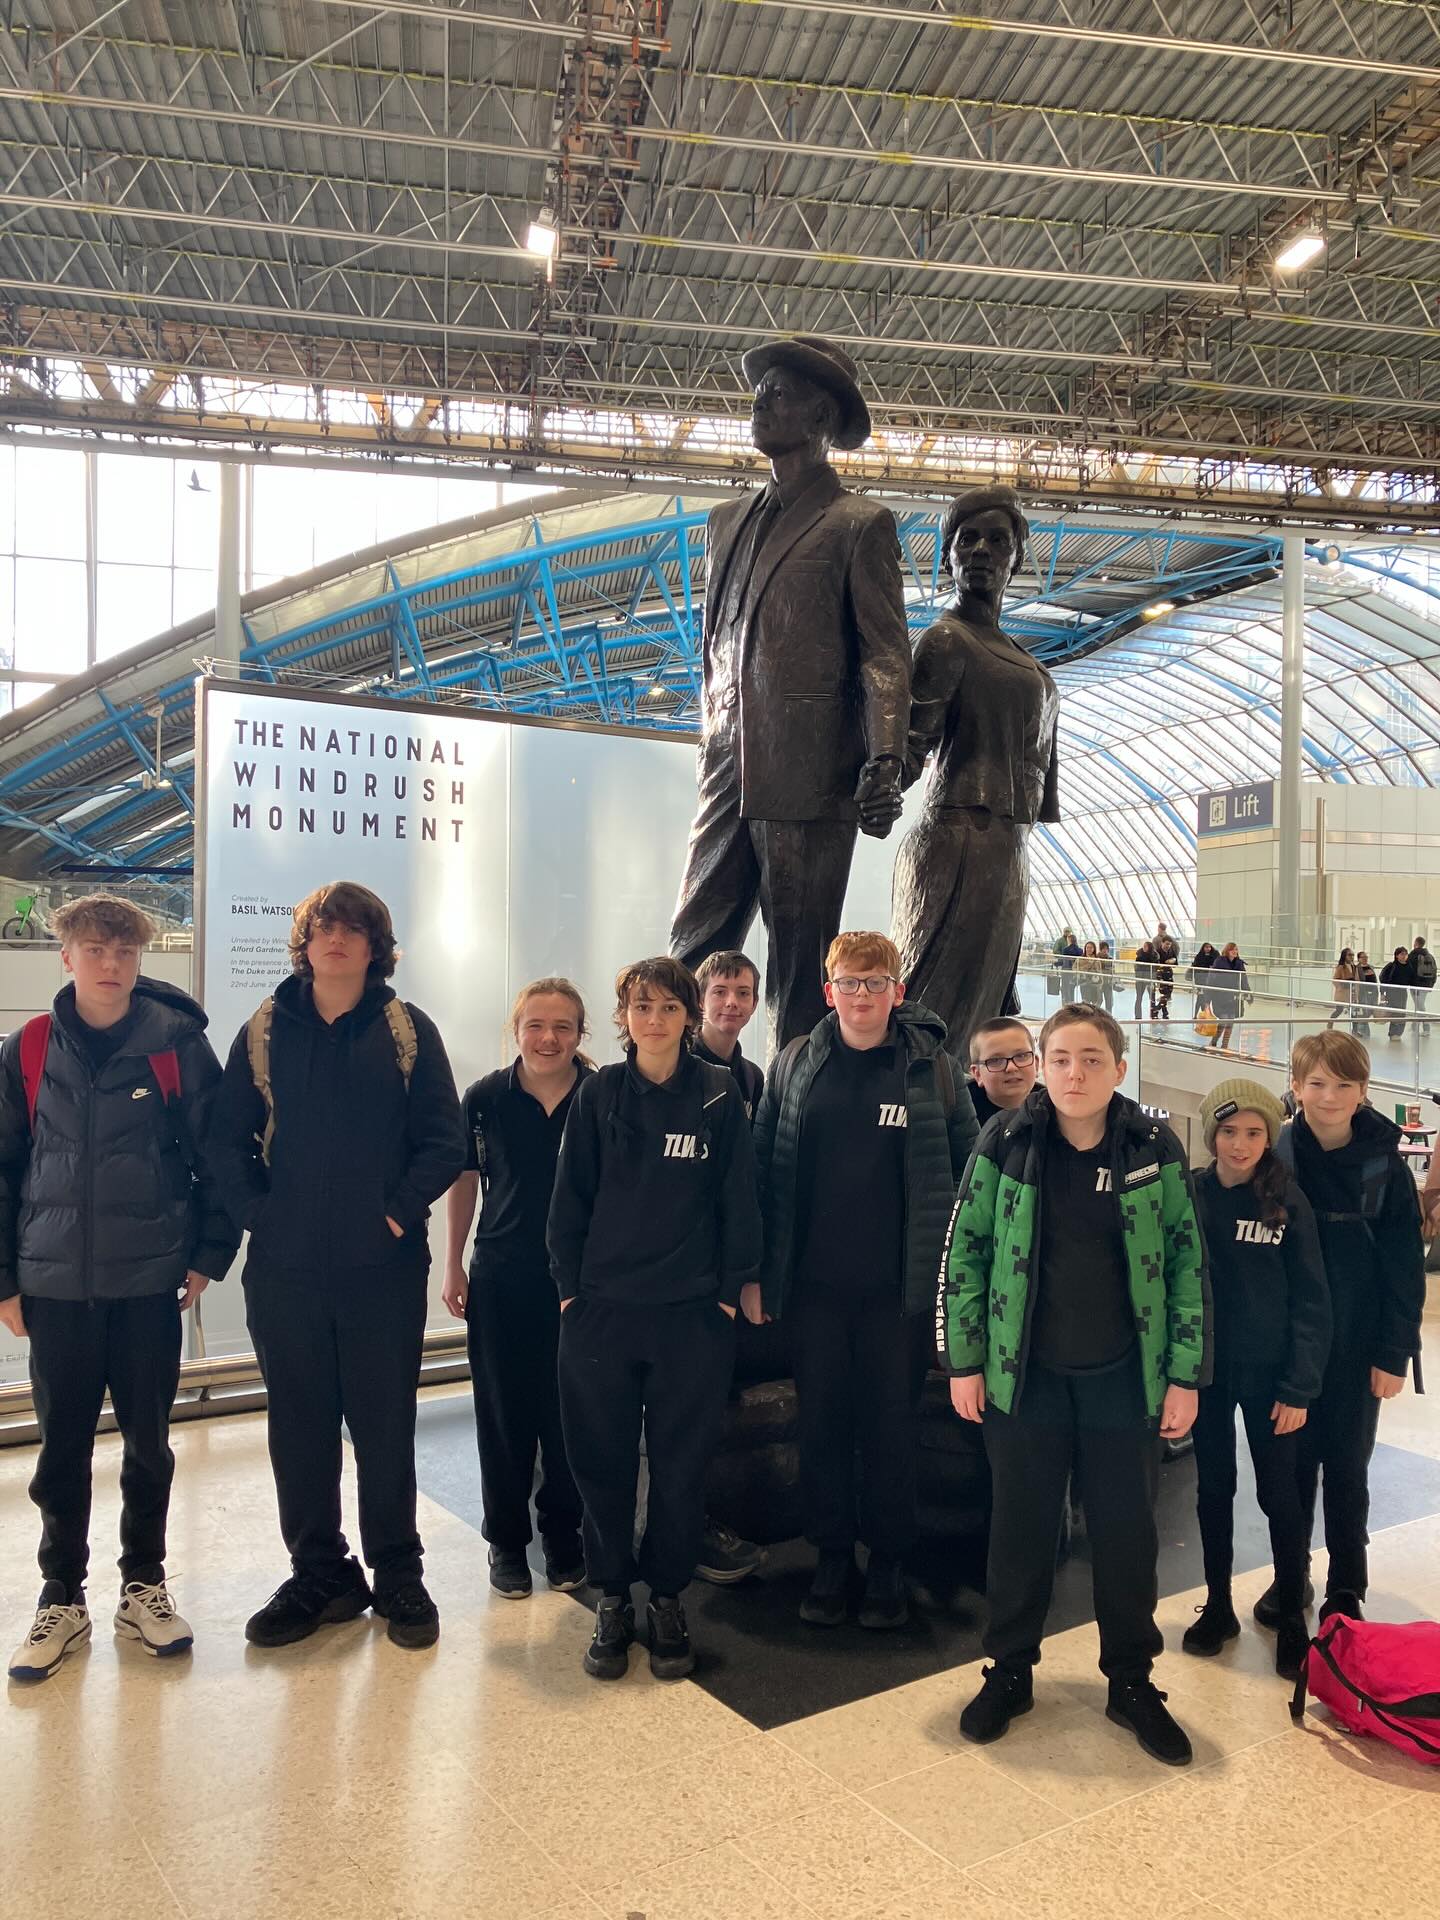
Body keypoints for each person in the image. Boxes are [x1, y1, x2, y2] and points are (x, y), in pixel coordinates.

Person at [941, 1002, 1208, 1768]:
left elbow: (1188, 1266)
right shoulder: (1006, 1141)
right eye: (1060, 1059)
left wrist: (1184, 1375)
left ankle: (1130, 1679)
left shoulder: (1151, 1146)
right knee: (1020, 1529)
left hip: (1124, 1383)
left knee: (1128, 1538)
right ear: (1040, 1067)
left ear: (1120, 1069)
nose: (1074, 1073)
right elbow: (966, 1253)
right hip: (1025, 1383)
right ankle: (1012, 1670)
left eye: (1092, 1059)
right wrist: (965, 1361)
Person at [209, 881, 465, 1652]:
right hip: (285, 1270)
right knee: (300, 1425)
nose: (338, 940)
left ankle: (396, 1572)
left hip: (380, 1268)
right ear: (306, 941)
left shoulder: (405, 1030)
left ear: (375, 946)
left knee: (385, 1422)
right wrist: (263, 1214)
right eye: (324, 927)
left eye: (355, 929)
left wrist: (392, 1215)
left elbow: (443, 1141)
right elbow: (224, 1144)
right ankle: (321, 1573)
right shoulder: (263, 1030)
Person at [2, 896, 239, 1682]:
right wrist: (5, 1279)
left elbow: (218, 1158)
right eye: (94, 950)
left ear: (141, 960)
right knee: (61, 1448)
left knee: (148, 1443)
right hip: (57, 1287)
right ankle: (60, 1594)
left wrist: (209, 1253)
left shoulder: (175, 1050)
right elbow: (4, 1171)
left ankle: (145, 1583)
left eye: (125, 952)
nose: (111, 964)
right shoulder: (28, 1050)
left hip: (148, 1284)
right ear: (64, 957)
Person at [669, 334, 911, 1049]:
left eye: (779, 392)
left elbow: (885, 654)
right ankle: (657, 1087)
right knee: (689, 944)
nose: (761, 401)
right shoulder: (725, 523)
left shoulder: (858, 523)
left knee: (802, 968)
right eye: (760, 390)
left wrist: (886, 759)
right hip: (726, 765)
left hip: (810, 773)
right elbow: (717, 649)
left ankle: (793, 1119)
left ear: (820, 415)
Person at [750, 932, 977, 1628]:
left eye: (876, 982)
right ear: (829, 992)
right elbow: (763, 1167)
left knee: (889, 1429)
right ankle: (829, 1556)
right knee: (820, 1426)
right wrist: (759, 1277)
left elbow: (970, 1176)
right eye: (849, 982)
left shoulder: (931, 1070)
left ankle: (887, 1562)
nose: (862, 995)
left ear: (897, 991)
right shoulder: (795, 1064)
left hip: (898, 1298)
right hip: (815, 1293)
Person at [549, 956, 761, 1682]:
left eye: (670, 1008)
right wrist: (571, 1293)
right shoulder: (599, 1094)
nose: (655, 1020)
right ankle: (613, 1596)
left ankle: (668, 1597)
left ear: (689, 1016)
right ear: (624, 1017)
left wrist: (728, 1295)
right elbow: (568, 1203)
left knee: (680, 1466)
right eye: (642, 1007)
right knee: (601, 1461)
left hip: (691, 1319)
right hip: (603, 1315)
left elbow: (741, 1203)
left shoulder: (718, 1096)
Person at [889, 486, 1060, 1056]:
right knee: (935, 1000)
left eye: (998, 539)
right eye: (968, 539)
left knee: (984, 1009)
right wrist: (872, 783)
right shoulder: (946, 639)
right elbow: (911, 744)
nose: (982, 550)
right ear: (948, 556)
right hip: (957, 840)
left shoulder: (1028, 661)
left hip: (1009, 848)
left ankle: (965, 1121)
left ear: (1017, 556)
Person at [442, 979, 590, 1601]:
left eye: (562, 1026)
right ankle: (506, 1540)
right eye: (535, 1024)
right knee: (502, 1413)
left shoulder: (603, 1094)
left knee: (570, 1415)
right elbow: (465, 1181)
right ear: (516, 1028)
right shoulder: (484, 1099)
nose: (548, 1038)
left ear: (581, 1034)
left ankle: (562, 1535)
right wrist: (452, 1264)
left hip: (580, 1284)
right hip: (502, 1275)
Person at [1271, 1031, 1425, 1623]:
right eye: (1316, 1083)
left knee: (1347, 1466)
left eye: (1342, 1084)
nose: (1328, 1096)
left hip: (1360, 1344)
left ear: (1363, 1091)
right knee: (1291, 1467)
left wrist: (1395, 1351)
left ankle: (1346, 1585)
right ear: (1296, 1086)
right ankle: (1292, 1576)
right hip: (1292, 1348)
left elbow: (1403, 1267)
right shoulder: (1277, 1157)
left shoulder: (1386, 1167)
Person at [1184, 1082, 1331, 1683]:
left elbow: (1311, 1302)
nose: (1239, 1144)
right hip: (1208, 1374)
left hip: (1271, 1376)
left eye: (1253, 1132)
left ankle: (1292, 1619)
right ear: (1211, 1134)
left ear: (1270, 1137)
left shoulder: (1286, 1202)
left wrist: (1299, 1387)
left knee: (1280, 1496)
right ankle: (1217, 1605)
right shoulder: (1190, 1195)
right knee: (1213, 1488)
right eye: (1227, 1131)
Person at [690, 948, 767, 1585]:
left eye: (743, 992)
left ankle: (704, 1519)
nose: (731, 1003)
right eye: (720, 991)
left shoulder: (751, 1079)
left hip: (720, 1271)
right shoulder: (673, 1070)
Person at [967, 1017, 1038, 1130]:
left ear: (1036, 1064)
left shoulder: (1057, 1110)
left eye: (1021, 1056)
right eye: (996, 1060)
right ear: (978, 1074)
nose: (1011, 1067)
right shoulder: (961, 1117)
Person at [1207, 941, 1249, 1052]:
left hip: (1233, 996)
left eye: (1236, 949)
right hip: (1221, 996)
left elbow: (1243, 979)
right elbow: (1212, 980)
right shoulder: (1219, 962)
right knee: (1223, 1019)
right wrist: (1208, 998)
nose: (1235, 952)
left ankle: (1224, 1045)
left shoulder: (1239, 963)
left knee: (1230, 1021)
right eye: (1232, 949)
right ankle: (1214, 1041)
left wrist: (1248, 993)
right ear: (1227, 951)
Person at [1406, 934, 1436, 1033]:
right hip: (1426, 985)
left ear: (1416, 943)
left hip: (1416, 985)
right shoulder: (1430, 956)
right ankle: (1415, 1026)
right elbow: (1434, 970)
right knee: (1418, 1006)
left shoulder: (1413, 955)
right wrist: (1431, 984)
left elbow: (1409, 970)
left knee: (1420, 1007)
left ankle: (1426, 1027)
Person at [1380, 946, 1410, 1041]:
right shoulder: (1391, 966)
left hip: (1402, 992)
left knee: (1402, 1012)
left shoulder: (1409, 966)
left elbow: (1412, 978)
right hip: (1392, 992)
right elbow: (1383, 978)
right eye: (1402, 954)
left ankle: (1399, 1033)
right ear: (1397, 955)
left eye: (1405, 954)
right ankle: (1393, 1033)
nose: (1404, 956)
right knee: (1394, 1012)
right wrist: (1382, 993)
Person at [1150, 924, 1178, 1020]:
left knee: (1168, 993)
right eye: (1166, 944)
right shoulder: (1157, 952)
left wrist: (1170, 961)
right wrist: (1168, 962)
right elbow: (1158, 964)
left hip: (1169, 974)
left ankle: (1159, 1010)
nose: (1168, 946)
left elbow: (1175, 963)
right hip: (1160, 975)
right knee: (1164, 993)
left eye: (1169, 944)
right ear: (1162, 943)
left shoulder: (1171, 951)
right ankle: (1161, 1011)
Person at [1187, 943, 1219, 1020]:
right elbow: (1196, 966)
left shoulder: (1215, 955)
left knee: (1205, 998)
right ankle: (1199, 1014)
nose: (1208, 949)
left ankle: (1202, 1014)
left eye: (1209, 947)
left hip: (1210, 981)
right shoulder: (1199, 956)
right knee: (1200, 997)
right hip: (1200, 980)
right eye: (1206, 947)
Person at [1326, 948, 1356, 1029]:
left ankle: (1355, 1029)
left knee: (1354, 1012)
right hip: (1342, 993)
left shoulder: (1354, 966)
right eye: (1349, 955)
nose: (1352, 957)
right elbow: (1335, 979)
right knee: (1339, 1010)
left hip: (1351, 992)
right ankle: (1330, 1024)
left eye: (1353, 955)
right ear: (1344, 956)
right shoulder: (1341, 967)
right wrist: (1340, 987)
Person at [1351, 952, 1378, 1040]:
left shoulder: (1371, 967)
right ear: (1358, 959)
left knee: (1369, 1011)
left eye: (1366, 957)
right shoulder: (1356, 969)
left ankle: (1363, 1031)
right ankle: (1361, 1031)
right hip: (1362, 993)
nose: (1365, 959)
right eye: (1363, 957)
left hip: (1372, 992)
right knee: (1363, 1012)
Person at [1131, 940, 1158, 1021]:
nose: (1144, 948)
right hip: (1140, 979)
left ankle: (1153, 1015)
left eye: (1146, 946)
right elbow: (1136, 967)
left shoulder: (1154, 956)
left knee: (1152, 997)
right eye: (1144, 946)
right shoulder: (1139, 955)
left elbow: (1155, 967)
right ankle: (1138, 1016)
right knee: (1139, 997)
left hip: (1150, 978)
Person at [1074, 940, 1103, 1004]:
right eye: (1087, 947)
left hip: (1094, 984)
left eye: (1091, 947)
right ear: (1085, 948)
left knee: (1095, 1002)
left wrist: (1101, 984)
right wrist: (1084, 968)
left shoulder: (1097, 960)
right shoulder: (1080, 959)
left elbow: (1099, 971)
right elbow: (1074, 968)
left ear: (1094, 949)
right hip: (1084, 983)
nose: (1089, 949)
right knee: (1086, 1002)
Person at [1096, 940, 1116, 1015]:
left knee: (1109, 1002)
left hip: (1108, 983)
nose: (1105, 950)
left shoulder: (1110, 959)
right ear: (1100, 949)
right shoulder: (1096, 958)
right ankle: (1096, 1016)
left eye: (1106, 949)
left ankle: (1109, 1016)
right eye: (1103, 949)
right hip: (1098, 983)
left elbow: (1112, 970)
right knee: (1098, 1000)